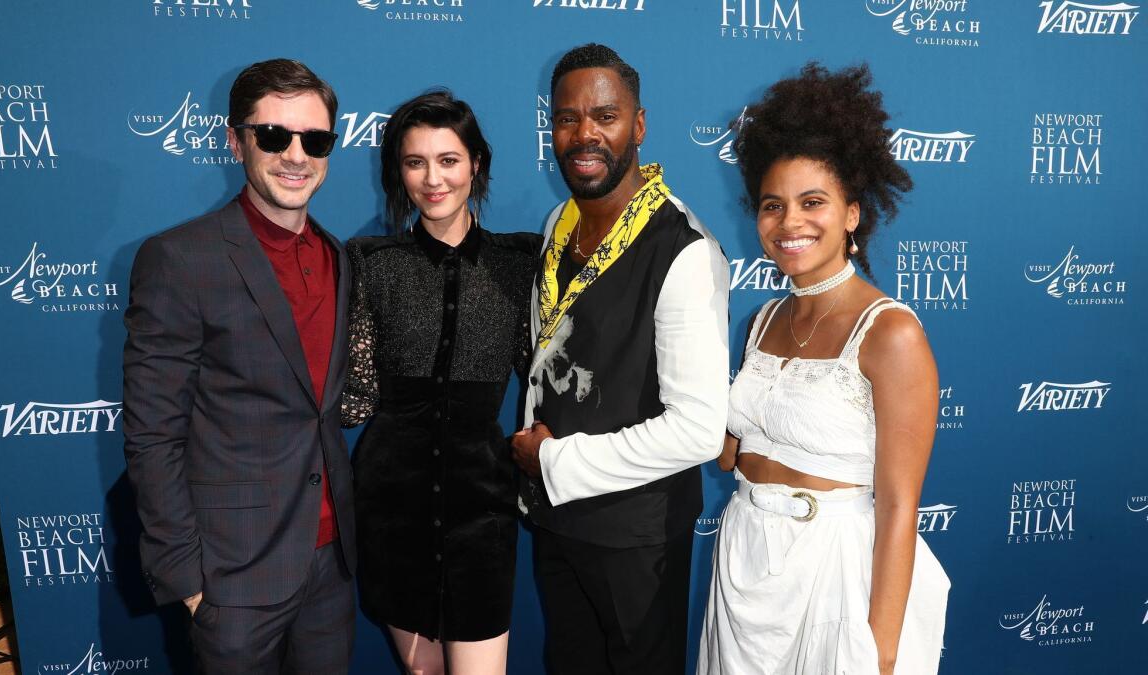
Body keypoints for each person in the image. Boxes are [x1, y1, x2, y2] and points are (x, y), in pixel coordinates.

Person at [697, 63, 950, 675]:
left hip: (835, 569)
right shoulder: (760, 321)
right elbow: (729, 454)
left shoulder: (890, 331)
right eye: (772, 205)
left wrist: (880, 650)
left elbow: (897, 507)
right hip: (744, 560)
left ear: (853, 214)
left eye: (813, 202)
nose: (790, 223)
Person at [123, 59, 356, 674]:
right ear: (236, 141)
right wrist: (191, 583)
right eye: (273, 136)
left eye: (315, 139)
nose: (295, 155)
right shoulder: (179, 258)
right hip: (233, 579)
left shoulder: (339, 257)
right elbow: (153, 434)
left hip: (331, 566)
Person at [511, 44, 730, 675]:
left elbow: (697, 429)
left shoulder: (683, 250)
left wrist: (553, 459)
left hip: (637, 538)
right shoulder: (560, 222)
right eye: (567, 117)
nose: (584, 134)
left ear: (638, 126)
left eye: (605, 117)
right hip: (557, 518)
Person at [342, 91, 540, 675]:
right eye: (415, 162)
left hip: (481, 513)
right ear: (397, 172)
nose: (433, 179)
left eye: (449, 160)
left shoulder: (521, 262)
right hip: (391, 508)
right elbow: (354, 397)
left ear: (475, 163)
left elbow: (544, 378)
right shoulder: (370, 262)